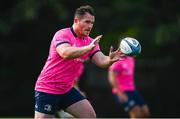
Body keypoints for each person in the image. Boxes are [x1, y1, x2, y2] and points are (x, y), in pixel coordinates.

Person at [34, 5, 124, 118]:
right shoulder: (62, 34)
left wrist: (110, 60)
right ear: (76, 21)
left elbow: (101, 61)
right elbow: (65, 53)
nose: (90, 26)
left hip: (66, 89)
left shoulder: (91, 42)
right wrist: (87, 48)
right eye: (87, 22)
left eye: (92, 23)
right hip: (48, 88)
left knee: (90, 116)